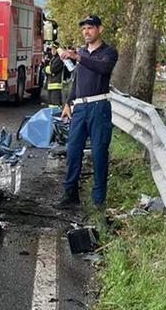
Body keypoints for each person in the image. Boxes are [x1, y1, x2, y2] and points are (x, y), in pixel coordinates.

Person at [56, 15, 118, 209]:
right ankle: (70, 194)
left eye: (90, 28)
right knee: (73, 149)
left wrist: (78, 57)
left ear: (99, 29)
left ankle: (98, 200)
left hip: (99, 106)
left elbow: (103, 68)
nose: (86, 32)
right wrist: (68, 103)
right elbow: (77, 81)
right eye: (83, 29)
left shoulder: (108, 52)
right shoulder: (82, 52)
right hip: (80, 107)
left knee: (99, 152)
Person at [43, 43, 65, 108]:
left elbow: (52, 69)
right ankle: (52, 116)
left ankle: (56, 116)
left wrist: (46, 68)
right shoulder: (53, 58)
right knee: (51, 104)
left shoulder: (59, 59)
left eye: (54, 49)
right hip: (51, 85)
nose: (52, 51)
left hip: (56, 85)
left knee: (55, 104)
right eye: (52, 49)